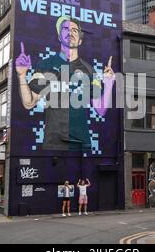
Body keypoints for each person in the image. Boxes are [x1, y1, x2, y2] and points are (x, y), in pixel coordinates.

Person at [15, 15, 115, 152]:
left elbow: (100, 110)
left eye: (75, 30)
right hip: (53, 143)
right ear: (59, 37)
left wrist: (109, 84)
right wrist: (22, 75)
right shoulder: (45, 65)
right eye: (66, 29)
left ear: (80, 40)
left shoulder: (91, 71)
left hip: (82, 143)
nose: (70, 32)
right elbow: (29, 103)